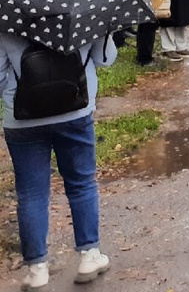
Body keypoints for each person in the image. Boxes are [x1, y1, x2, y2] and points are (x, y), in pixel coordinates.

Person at [0, 31, 116, 289]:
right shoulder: (85, 9)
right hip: (75, 110)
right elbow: (106, 59)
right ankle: (89, 256)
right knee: (82, 184)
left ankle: (36, 269)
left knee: (31, 194)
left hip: (22, 119)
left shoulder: (7, 16)